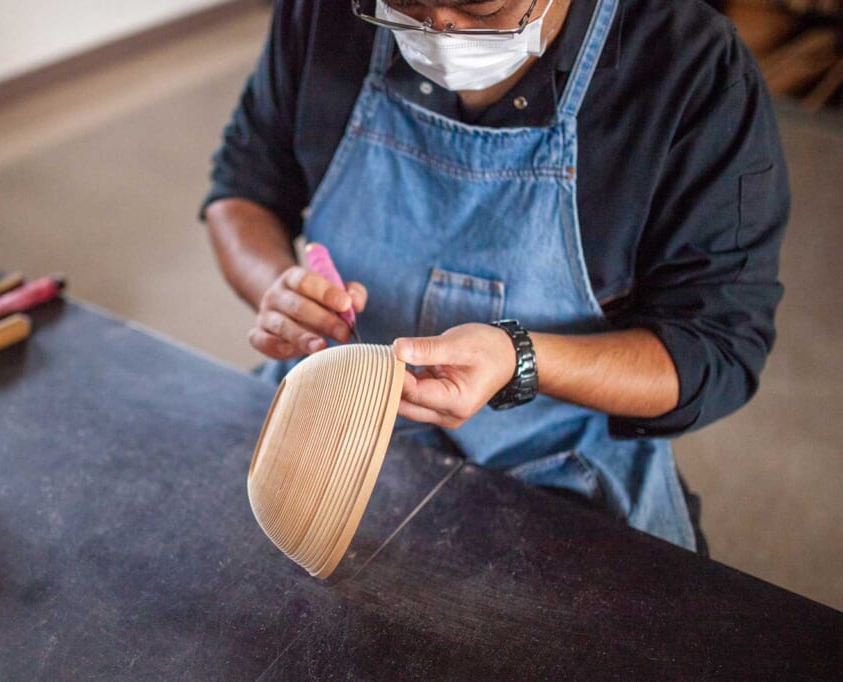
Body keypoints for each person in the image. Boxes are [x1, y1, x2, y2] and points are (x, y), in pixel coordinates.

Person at [202, 0, 789, 551]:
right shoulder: (327, 11)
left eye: (480, 10)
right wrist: (278, 286)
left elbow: (715, 348)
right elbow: (242, 190)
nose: (439, 32)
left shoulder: (691, 68)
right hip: (328, 416)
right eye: (404, 7)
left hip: (561, 463)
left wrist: (520, 358)